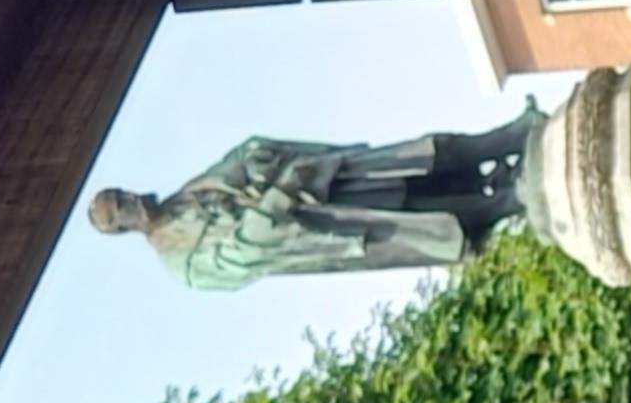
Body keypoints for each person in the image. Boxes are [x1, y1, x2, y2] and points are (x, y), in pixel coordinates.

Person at [87, 104, 540, 293]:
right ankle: (509, 201)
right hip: (322, 230)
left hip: (328, 181)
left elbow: (241, 157)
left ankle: (510, 135)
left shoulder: (188, 194)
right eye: (121, 209)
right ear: (124, 228)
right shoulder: (182, 263)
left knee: (422, 156)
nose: (131, 202)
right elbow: (244, 255)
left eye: (122, 195)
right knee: (418, 219)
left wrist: (260, 165)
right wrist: (277, 198)